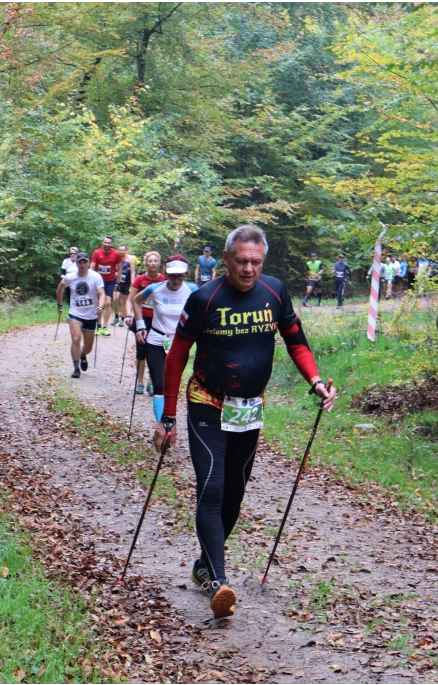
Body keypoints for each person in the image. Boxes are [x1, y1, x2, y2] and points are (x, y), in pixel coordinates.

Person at [154, 225, 337, 619]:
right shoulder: (205, 298)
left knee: (234, 493)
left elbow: (296, 341)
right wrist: (167, 416)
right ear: (226, 259)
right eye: (241, 261)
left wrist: (317, 381)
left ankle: (204, 565)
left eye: (256, 262)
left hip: (249, 407)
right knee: (213, 486)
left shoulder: (274, 291)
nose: (249, 269)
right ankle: (219, 581)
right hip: (207, 401)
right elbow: (176, 357)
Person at [130, 257, 192, 423]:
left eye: (180, 276)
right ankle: (163, 426)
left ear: (186, 274)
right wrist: (141, 326)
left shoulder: (192, 290)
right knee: (159, 385)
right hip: (156, 340)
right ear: (166, 274)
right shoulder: (156, 288)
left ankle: (169, 419)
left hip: (179, 343)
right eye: (172, 276)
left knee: (172, 385)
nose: (176, 280)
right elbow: (136, 301)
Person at [55, 252, 107, 378]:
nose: (82, 265)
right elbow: (60, 288)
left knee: (88, 346)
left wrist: (100, 306)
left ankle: (83, 354)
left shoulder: (95, 277)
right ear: (76, 263)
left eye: (85, 262)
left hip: (91, 314)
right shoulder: (70, 277)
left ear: (89, 263)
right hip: (75, 313)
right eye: (80, 262)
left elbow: (102, 294)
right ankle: (76, 368)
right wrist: (59, 304)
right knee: (76, 338)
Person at [124, 251, 166, 395]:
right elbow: (130, 300)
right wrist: (128, 315)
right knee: (141, 352)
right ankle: (140, 382)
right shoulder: (140, 280)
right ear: (146, 263)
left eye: (155, 261)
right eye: (150, 261)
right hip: (142, 319)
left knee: (155, 352)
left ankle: (151, 382)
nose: (153, 263)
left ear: (159, 263)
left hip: (157, 321)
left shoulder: (164, 280)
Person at [91, 237, 122, 336]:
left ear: (111, 244)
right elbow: (92, 267)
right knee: (99, 303)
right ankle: (98, 326)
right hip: (98, 281)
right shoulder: (97, 253)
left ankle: (105, 327)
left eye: (109, 243)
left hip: (110, 281)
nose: (107, 244)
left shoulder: (116, 254)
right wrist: (89, 280)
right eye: (105, 242)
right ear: (102, 243)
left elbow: (120, 268)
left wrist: (118, 282)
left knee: (108, 303)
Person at [112, 244, 136, 327]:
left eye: (123, 250)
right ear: (117, 250)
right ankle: (116, 317)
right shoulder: (115, 258)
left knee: (124, 301)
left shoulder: (130, 259)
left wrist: (132, 284)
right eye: (120, 250)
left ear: (126, 251)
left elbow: (132, 272)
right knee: (115, 299)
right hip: (116, 281)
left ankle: (122, 318)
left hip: (126, 282)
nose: (121, 251)